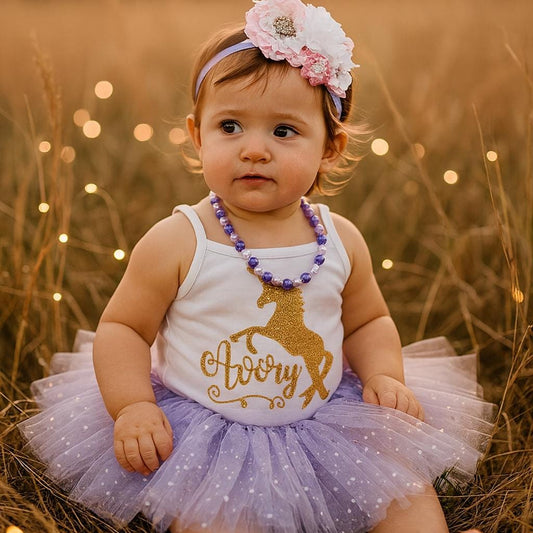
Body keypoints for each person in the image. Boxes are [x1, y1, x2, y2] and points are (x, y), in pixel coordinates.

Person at [20, 0, 496, 531]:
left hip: (325, 419)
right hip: (208, 431)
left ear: (330, 147)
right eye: (230, 126)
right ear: (198, 135)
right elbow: (124, 327)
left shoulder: (340, 239)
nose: (254, 150)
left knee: (407, 503)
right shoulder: (179, 240)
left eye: (284, 132)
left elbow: (368, 321)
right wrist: (133, 405)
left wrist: (382, 374)